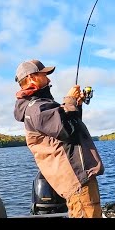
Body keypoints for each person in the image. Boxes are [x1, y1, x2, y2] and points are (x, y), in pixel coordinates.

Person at [13, 59, 105, 218]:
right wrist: (69, 101)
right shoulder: (37, 108)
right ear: (32, 77)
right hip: (76, 177)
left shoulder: (42, 105)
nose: (49, 79)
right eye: (44, 75)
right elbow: (66, 130)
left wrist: (76, 105)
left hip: (78, 176)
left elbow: (72, 129)